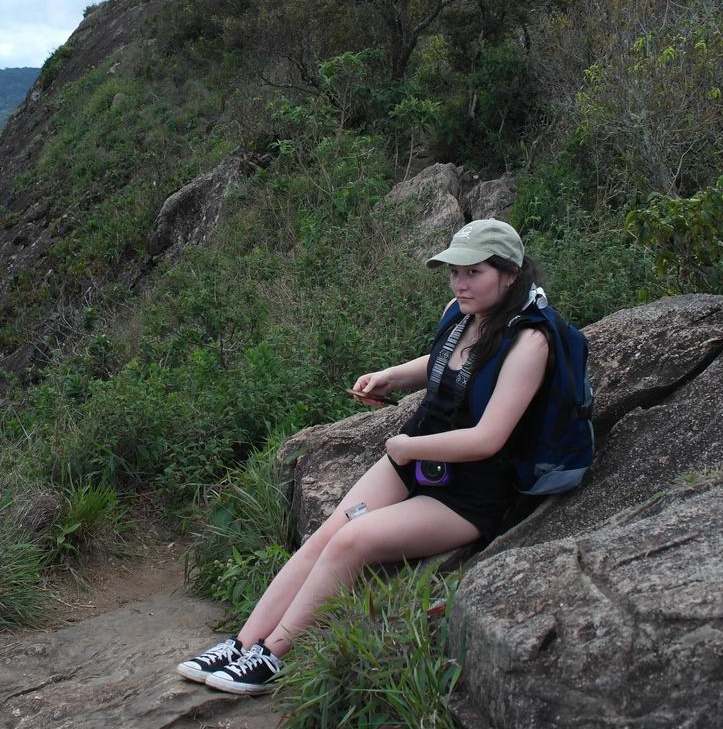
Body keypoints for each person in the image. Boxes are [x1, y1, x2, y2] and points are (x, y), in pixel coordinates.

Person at [178, 219, 557, 695]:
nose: (459, 282)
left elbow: (489, 437)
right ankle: (241, 643)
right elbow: (445, 361)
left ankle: (272, 656)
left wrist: (407, 447)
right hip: (415, 460)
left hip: (469, 491)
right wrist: (392, 376)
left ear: (509, 274)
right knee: (328, 532)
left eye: (473, 271)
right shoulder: (462, 313)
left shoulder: (529, 343)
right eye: (454, 271)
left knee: (350, 542)